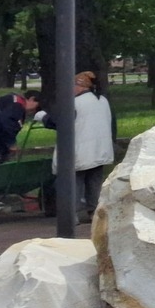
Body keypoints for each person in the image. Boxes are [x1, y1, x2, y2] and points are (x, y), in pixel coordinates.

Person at [60, 71, 117, 208]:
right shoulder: (102, 101)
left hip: (81, 151)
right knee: (95, 183)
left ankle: (72, 213)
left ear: (79, 86)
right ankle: (94, 212)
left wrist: (44, 117)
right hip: (100, 149)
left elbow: (61, 123)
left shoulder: (75, 103)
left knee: (75, 183)